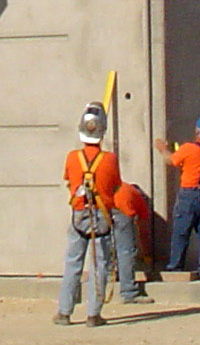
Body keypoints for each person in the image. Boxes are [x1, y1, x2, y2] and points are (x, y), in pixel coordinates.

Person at [55, 102, 118, 326]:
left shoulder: (73, 157)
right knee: (100, 264)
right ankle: (93, 314)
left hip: (78, 214)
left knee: (73, 263)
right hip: (101, 215)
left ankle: (64, 312)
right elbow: (115, 186)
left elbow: (68, 182)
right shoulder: (110, 159)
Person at [155, 112, 200, 280]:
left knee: (181, 232)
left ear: (198, 131)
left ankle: (175, 267)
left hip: (189, 195)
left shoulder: (189, 148)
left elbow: (171, 160)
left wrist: (162, 148)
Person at [109, 180, 154, 304]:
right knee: (126, 251)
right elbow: (143, 232)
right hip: (122, 212)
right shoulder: (138, 198)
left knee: (103, 247)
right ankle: (128, 292)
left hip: (103, 208)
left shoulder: (120, 185)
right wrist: (147, 255)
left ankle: (103, 286)